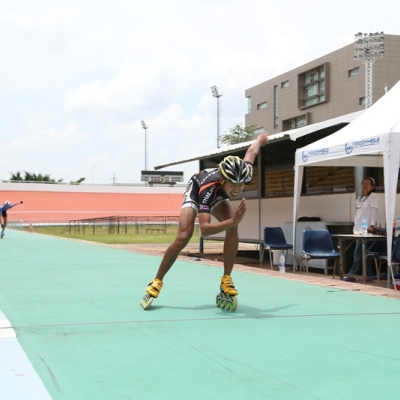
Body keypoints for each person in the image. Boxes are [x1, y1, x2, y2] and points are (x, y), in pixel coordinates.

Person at [140, 132, 269, 309]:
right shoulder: (207, 189)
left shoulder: (243, 174)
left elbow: (251, 152)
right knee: (184, 236)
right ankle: (157, 280)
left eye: (241, 185)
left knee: (233, 227)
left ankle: (226, 279)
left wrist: (260, 140)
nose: (238, 189)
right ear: (223, 181)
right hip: (197, 189)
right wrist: (234, 220)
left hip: (219, 193)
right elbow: (206, 230)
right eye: (233, 185)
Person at [344, 177, 378, 282]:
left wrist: (372, 224)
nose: (365, 186)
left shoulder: (373, 196)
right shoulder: (360, 198)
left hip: (366, 230)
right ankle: (368, 275)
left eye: (368, 184)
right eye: (363, 183)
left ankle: (352, 274)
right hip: (357, 229)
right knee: (364, 253)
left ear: (372, 187)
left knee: (358, 253)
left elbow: (374, 210)